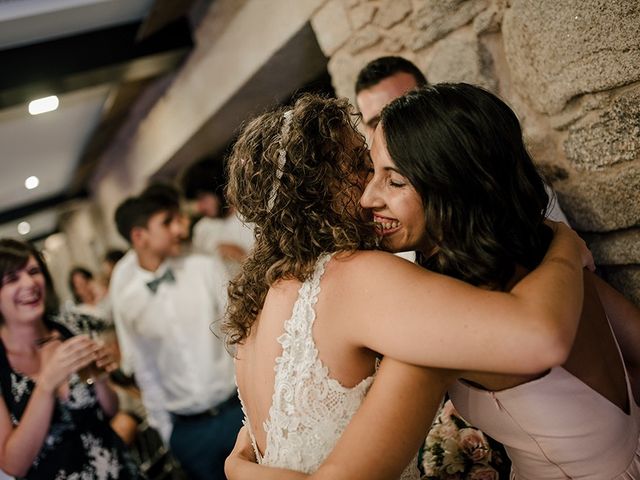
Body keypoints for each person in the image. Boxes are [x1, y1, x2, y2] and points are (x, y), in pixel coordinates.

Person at [226, 85, 640, 479]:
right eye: (362, 167)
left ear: (445, 182)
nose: (370, 193)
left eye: (391, 178)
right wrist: (565, 242)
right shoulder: (538, 253)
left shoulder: (260, 307)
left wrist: (235, 468)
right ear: (313, 191)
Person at [110, 185, 242, 480]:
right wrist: (168, 432)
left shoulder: (205, 269)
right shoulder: (129, 299)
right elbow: (145, 370)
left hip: (237, 412)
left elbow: (239, 336)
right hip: (187, 431)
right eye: (167, 223)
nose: (179, 229)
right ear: (139, 237)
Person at [355, 55, 568, 226]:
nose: (393, 129)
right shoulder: (370, 210)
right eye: (376, 121)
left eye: (406, 110)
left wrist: (563, 241)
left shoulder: (501, 183)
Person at [0, 238, 138, 479]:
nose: (30, 283)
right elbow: (12, 465)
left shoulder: (70, 330)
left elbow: (109, 411)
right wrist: (46, 385)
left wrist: (101, 377)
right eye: (13, 279)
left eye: (34, 271)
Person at [182, 158, 254, 276]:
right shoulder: (202, 229)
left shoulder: (253, 216)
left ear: (219, 188)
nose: (200, 207)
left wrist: (242, 257)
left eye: (203, 198)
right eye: (196, 201)